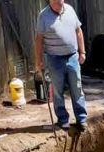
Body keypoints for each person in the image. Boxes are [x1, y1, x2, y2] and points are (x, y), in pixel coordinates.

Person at [35, 0, 87, 131]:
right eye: (58, 1)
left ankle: (81, 119)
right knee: (58, 91)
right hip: (54, 59)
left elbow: (78, 31)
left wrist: (82, 52)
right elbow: (39, 40)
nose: (61, 2)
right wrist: (38, 60)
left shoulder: (69, 10)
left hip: (72, 57)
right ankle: (63, 120)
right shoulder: (43, 16)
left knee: (77, 88)